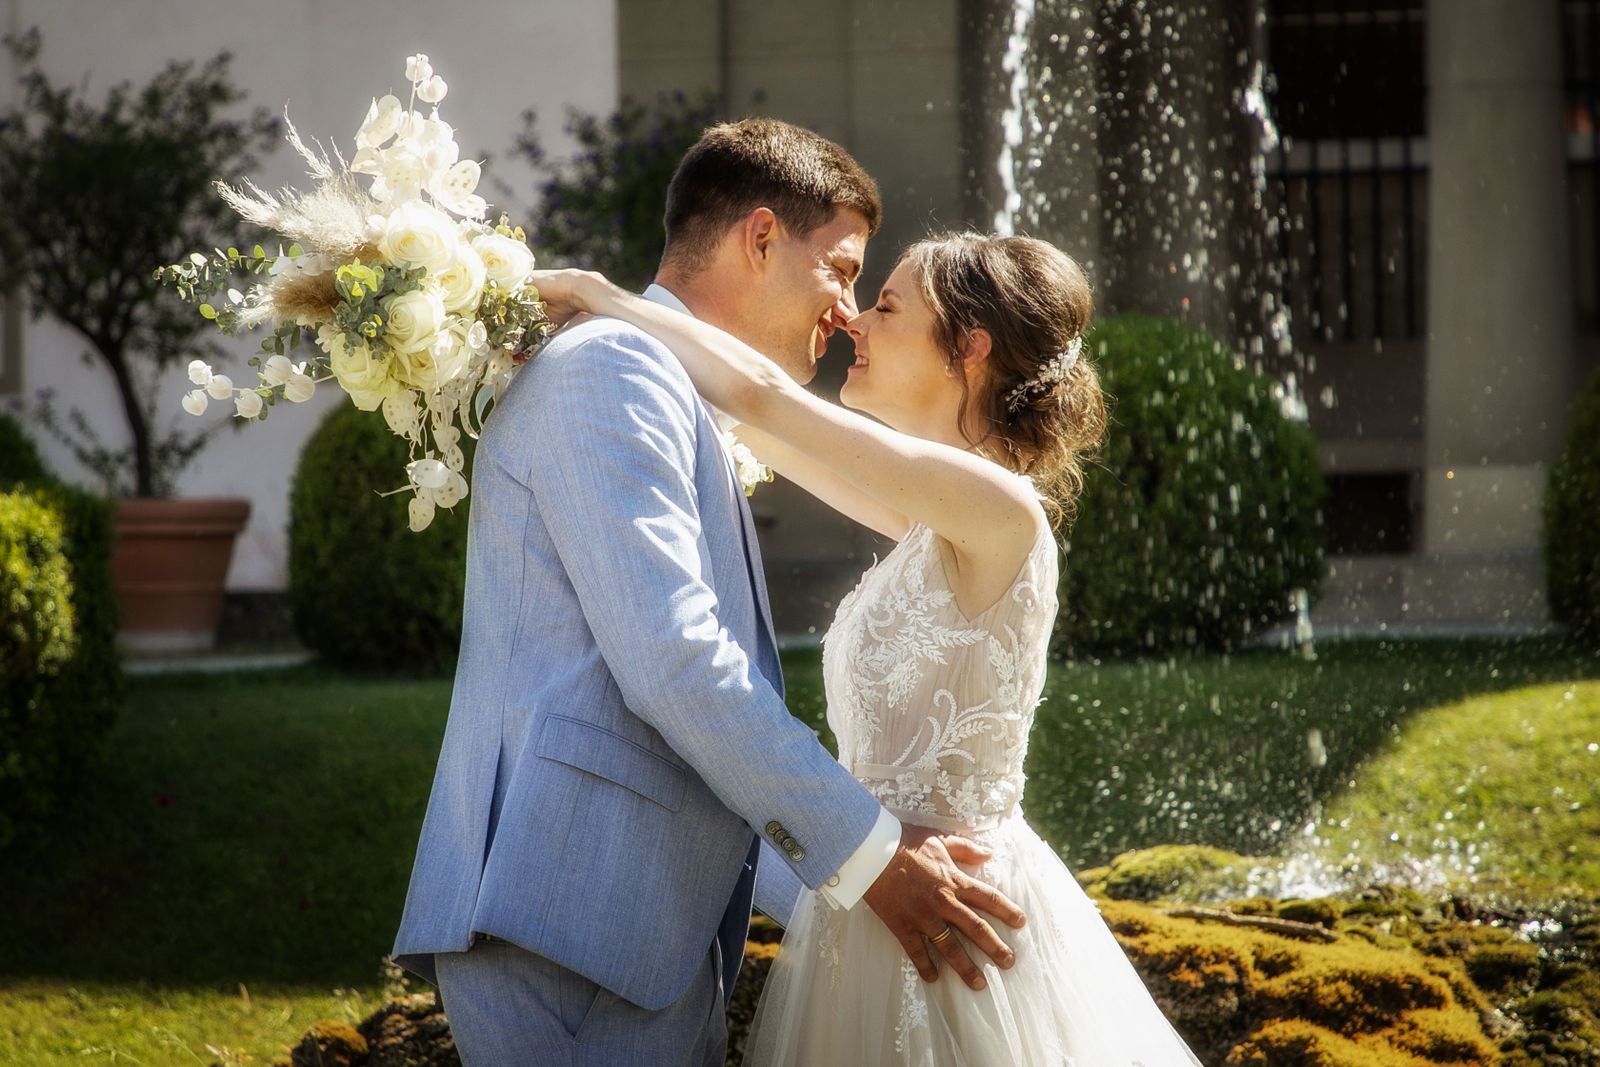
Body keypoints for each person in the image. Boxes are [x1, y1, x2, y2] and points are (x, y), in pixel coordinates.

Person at [392, 119, 1028, 1067]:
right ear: (761, 238)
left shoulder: (662, 377)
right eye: (844, 269)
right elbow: (676, 660)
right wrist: (868, 859)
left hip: (624, 927)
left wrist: (828, 904)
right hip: (574, 921)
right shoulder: (617, 369)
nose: (849, 309)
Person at [530, 230, 1205, 1065]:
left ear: (969, 347)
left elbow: (769, 397)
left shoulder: (998, 507)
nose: (853, 318)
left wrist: (605, 297)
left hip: (949, 913)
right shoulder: (937, 520)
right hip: (876, 896)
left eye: (885, 306)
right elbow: (757, 419)